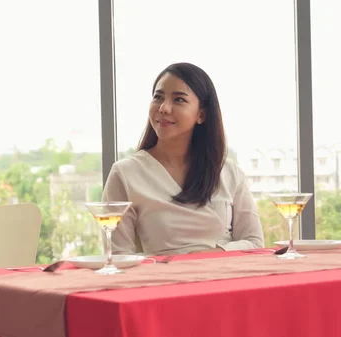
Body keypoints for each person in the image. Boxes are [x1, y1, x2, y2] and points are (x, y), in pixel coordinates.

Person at [103, 62, 264, 256]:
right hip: (163, 281)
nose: (163, 108)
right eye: (158, 97)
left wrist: (213, 254)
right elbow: (118, 256)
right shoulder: (125, 173)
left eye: (178, 99)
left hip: (226, 279)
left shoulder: (229, 173)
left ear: (201, 115)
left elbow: (255, 243)